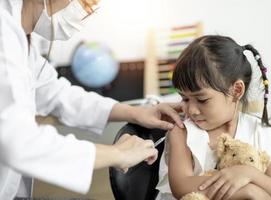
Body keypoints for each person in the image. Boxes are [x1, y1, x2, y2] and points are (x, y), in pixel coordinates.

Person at [0, 0, 184, 199]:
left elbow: (55, 93)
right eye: (84, 1)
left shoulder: (19, 36)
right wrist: (117, 154)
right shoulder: (4, 36)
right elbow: (18, 143)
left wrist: (135, 112)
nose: (87, 11)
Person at [155, 35, 271, 200]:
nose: (192, 110)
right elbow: (181, 186)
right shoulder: (182, 132)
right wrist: (249, 192)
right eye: (185, 99)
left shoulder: (258, 131)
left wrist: (249, 174)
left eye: (202, 100)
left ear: (236, 91)